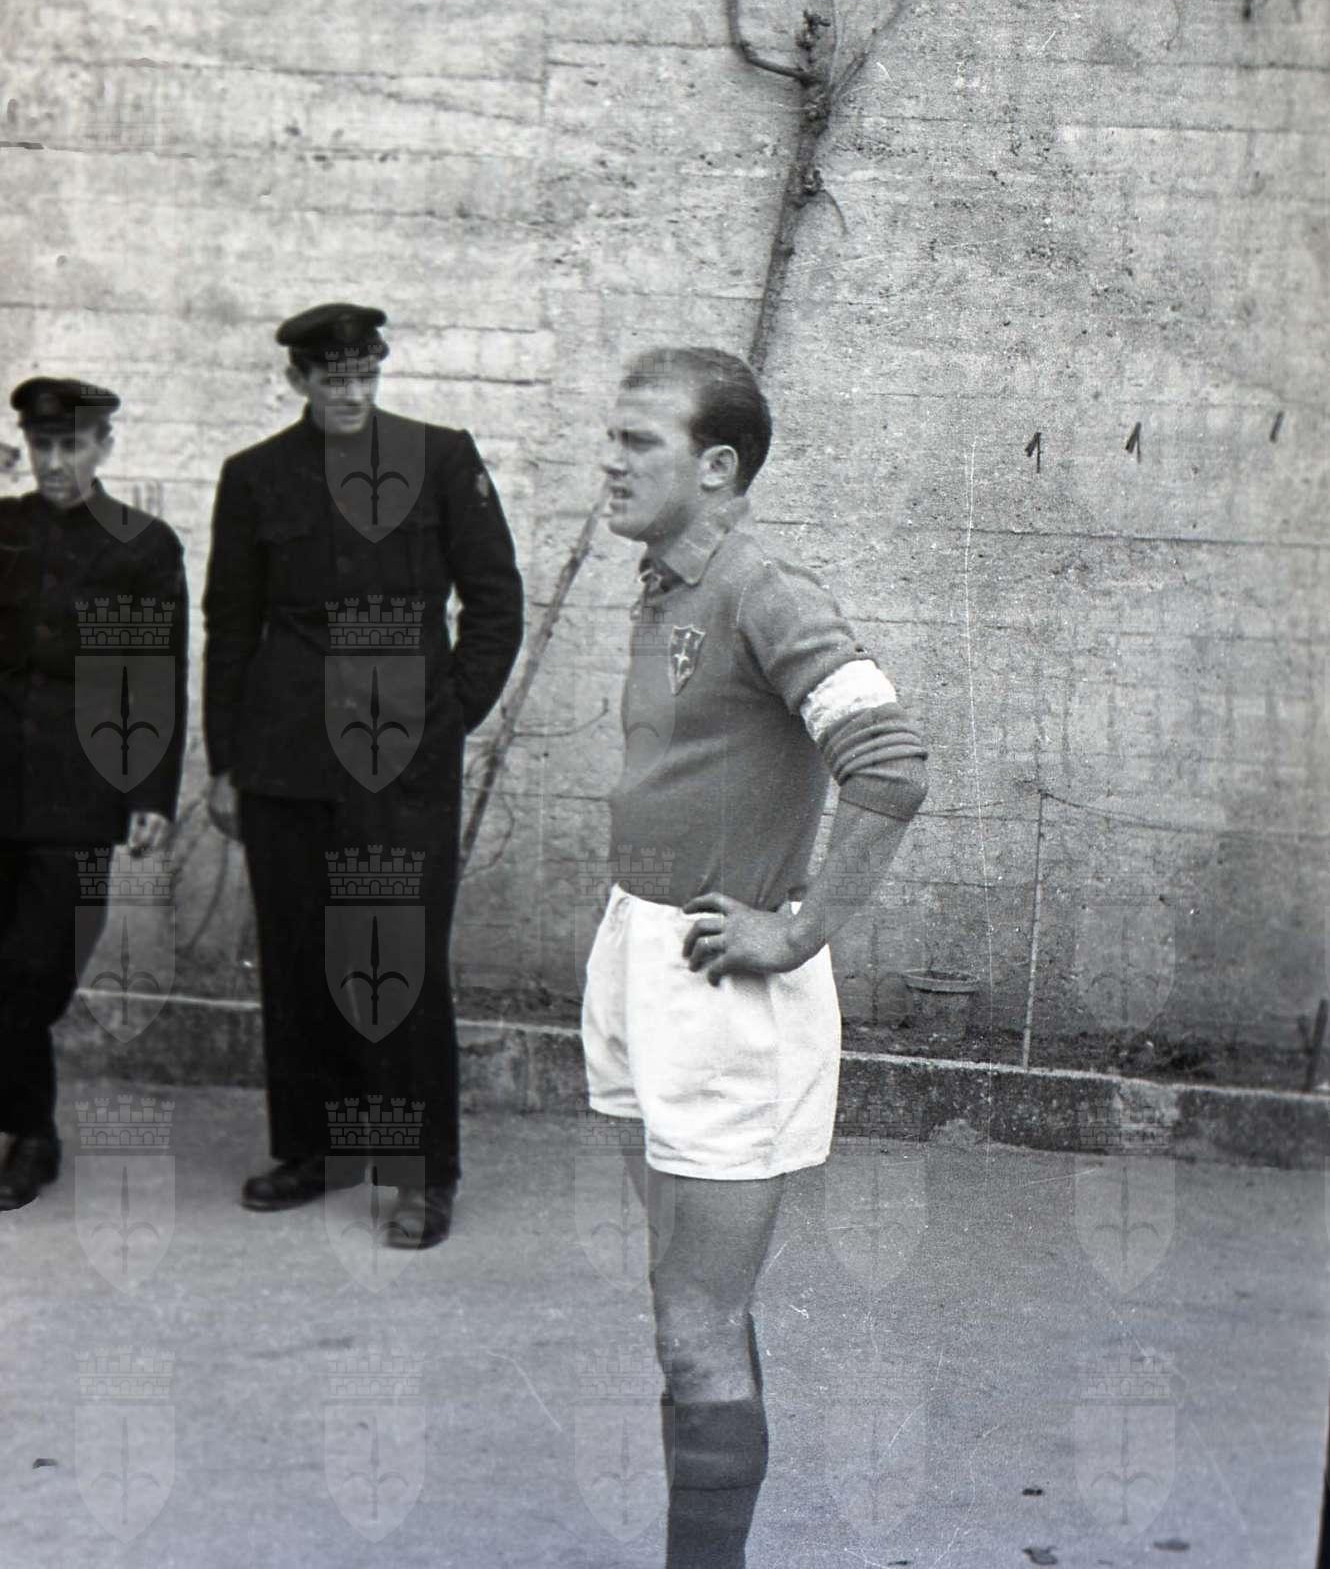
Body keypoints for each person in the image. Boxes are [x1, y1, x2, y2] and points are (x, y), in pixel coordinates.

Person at [582, 346, 928, 1567]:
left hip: (723, 986)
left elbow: (890, 763)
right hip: (641, 951)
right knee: (685, 1309)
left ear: (718, 466)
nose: (609, 461)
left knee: (695, 1320)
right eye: (612, 437)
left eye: (639, 442)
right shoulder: (664, 585)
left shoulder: (766, 590)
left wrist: (797, 926)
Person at [203, 303, 523, 1249]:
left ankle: (425, 1174)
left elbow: (495, 601)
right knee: (299, 959)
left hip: (402, 759)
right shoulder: (254, 476)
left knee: (399, 961)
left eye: (363, 376)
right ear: (298, 380)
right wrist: (225, 763)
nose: (350, 394)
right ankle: (314, 1150)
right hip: (286, 758)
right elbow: (230, 627)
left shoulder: (441, 458)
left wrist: (446, 717)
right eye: (331, 378)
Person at [0, 377, 188, 1210]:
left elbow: (155, 677)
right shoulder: (2, 529)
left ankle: (24, 1127)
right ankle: (31, 1134)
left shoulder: (141, 546)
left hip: (78, 796)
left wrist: (150, 793)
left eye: (71, 446)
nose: (54, 462)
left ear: (103, 446)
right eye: (41, 446)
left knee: (37, 970)